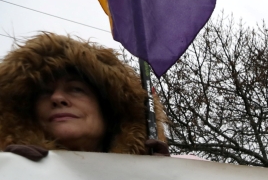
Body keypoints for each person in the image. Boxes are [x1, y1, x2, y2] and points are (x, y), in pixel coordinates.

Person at [0, 33, 168, 159]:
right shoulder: (8, 171)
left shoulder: (174, 173)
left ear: (108, 108)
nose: (57, 98)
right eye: (45, 92)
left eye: (75, 89)